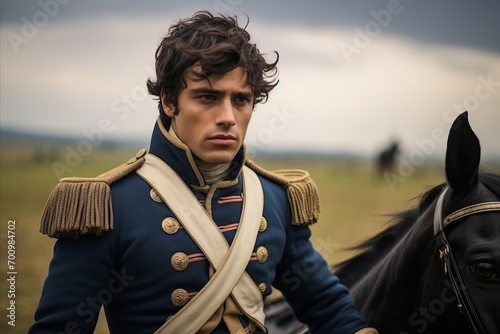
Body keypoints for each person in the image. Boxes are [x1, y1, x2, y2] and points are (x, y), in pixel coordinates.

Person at [30, 10, 378, 334]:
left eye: (240, 100)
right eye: (208, 97)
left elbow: (325, 305)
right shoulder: (106, 206)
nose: (227, 116)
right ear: (169, 101)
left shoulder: (274, 199)